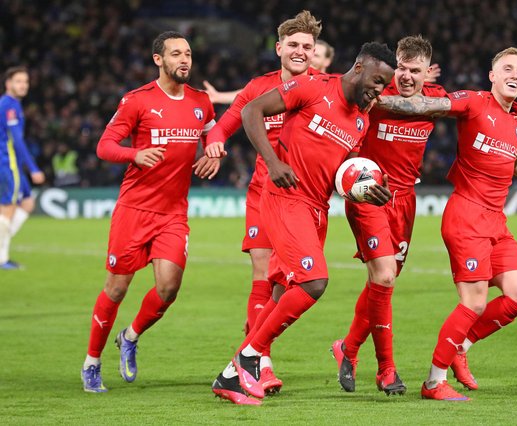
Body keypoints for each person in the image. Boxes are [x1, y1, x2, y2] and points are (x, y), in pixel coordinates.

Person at [377, 47, 517, 401]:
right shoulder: (474, 102)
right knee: (473, 302)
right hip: (466, 216)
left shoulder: (515, 122)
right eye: (507, 68)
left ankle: (460, 346)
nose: (514, 75)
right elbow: (427, 105)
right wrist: (376, 100)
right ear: (492, 75)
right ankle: (434, 382)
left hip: (496, 222)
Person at [210, 42, 397, 406]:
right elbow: (251, 110)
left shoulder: (361, 119)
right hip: (286, 198)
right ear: (359, 68)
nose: (379, 90)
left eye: (384, 86)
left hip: (317, 210)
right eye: (377, 81)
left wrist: (366, 189)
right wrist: (272, 162)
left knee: (284, 292)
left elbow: (344, 174)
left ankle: (233, 374)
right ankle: (247, 359)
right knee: (314, 281)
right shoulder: (314, 87)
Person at [80, 31, 219, 393]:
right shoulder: (137, 100)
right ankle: (92, 361)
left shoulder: (201, 101)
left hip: (173, 213)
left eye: (188, 54)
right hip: (134, 209)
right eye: (176, 54)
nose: (184, 60)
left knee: (169, 287)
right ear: (159, 59)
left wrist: (215, 152)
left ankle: (130, 335)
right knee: (116, 288)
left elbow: (213, 133)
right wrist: (135, 154)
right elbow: (104, 146)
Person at [203, 10, 323, 394]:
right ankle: (260, 363)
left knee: (287, 284)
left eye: (307, 46)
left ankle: (252, 348)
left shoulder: (322, 89)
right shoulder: (259, 87)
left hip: (304, 199)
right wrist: (215, 143)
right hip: (262, 193)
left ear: (315, 51)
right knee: (261, 271)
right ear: (279, 48)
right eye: (293, 44)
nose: (300, 51)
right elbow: (225, 124)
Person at [330, 35, 447, 396]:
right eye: (403, 68)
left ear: (427, 71)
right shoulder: (374, 92)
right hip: (369, 194)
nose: (407, 76)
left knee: (382, 281)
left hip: (406, 200)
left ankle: (347, 348)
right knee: (384, 276)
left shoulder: (437, 99)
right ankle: (386, 370)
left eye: (416, 71)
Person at [0, 66, 45, 270]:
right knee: (7, 209)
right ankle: (2, 259)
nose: (23, 85)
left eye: (25, 81)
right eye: (18, 81)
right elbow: (17, 140)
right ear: (8, 84)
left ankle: (2, 243)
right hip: (7, 162)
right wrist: (33, 168)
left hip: (14, 164)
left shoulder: (14, 104)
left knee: (27, 203)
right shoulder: (8, 105)